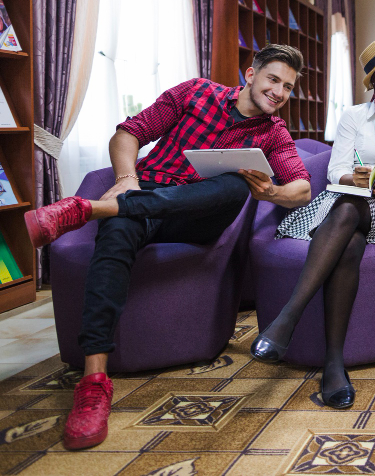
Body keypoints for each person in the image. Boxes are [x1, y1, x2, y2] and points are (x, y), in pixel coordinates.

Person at [24, 45, 312, 450]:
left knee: (233, 185)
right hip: (148, 194)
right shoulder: (195, 93)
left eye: (287, 86)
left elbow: (302, 188)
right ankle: (93, 382)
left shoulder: (273, 133)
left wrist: (273, 192)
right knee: (119, 227)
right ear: (251, 74)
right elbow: (130, 132)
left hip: (197, 219)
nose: (279, 91)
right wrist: (127, 178)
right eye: (273, 79)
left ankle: (86, 209)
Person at [251, 36, 375, 409]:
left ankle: (286, 320)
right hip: (347, 201)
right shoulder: (355, 117)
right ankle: (333, 364)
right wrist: (350, 179)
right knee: (350, 237)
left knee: (350, 213)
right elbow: (336, 170)